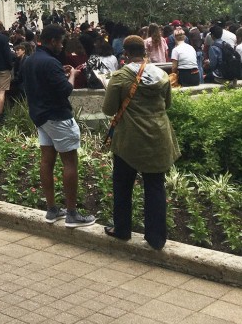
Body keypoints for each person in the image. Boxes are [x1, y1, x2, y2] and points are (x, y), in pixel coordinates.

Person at [102, 36, 180, 250]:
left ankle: (122, 229)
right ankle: (156, 239)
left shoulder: (119, 77)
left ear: (125, 53)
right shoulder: (162, 75)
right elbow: (167, 104)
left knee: (123, 185)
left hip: (129, 140)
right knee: (155, 187)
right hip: (158, 138)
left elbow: (109, 110)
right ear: (144, 52)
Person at [22, 24, 96, 228]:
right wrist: (72, 74)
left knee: (47, 161)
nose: (62, 45)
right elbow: (66, 91)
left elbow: (39, 84)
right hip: (58, 117)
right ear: (53, 41)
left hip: (41, 117)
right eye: (61, 41)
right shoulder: (51, 62)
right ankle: (72, 214)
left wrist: (59, 74)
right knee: (70, 162)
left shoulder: (30, 60)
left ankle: (52, 209)